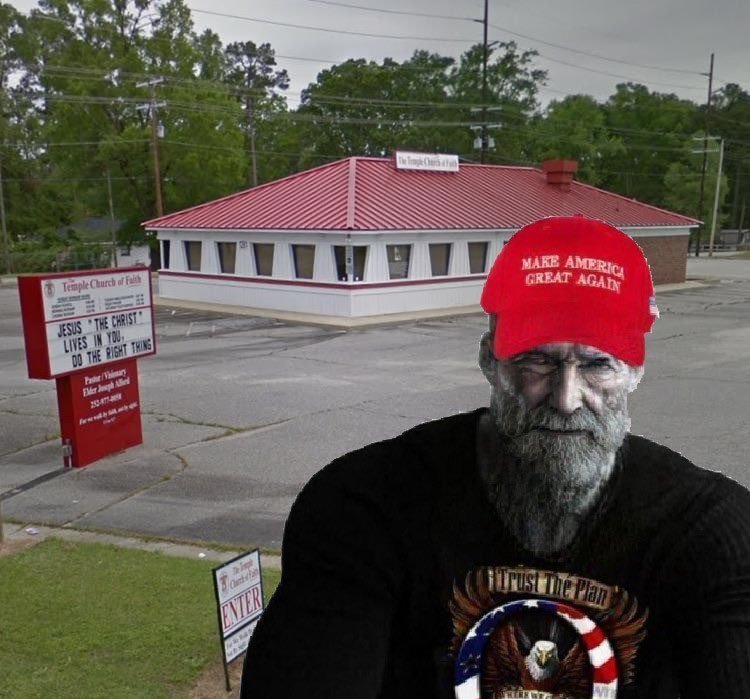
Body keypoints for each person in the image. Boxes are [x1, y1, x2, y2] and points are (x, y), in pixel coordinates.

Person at [241, 216, 750, 698]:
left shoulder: (709, 528)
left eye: (597, 364)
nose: (566, 399)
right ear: (490, 360)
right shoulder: (367, 506)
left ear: (635, 371)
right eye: (537, 360)